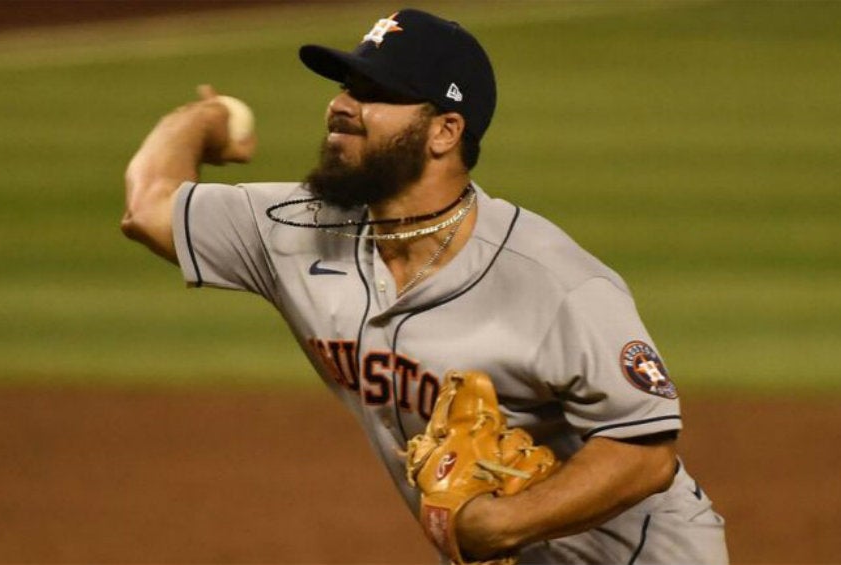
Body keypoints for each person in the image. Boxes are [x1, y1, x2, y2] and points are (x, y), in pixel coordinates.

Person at [122, 8, 728, 565]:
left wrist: (500, 525)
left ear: (444, 131)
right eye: (346, 87)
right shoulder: (297, 228)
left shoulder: (556, 281)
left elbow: (646, 452)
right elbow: (148, 208)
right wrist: (202, 120)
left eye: (375, 94)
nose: (342, 105)